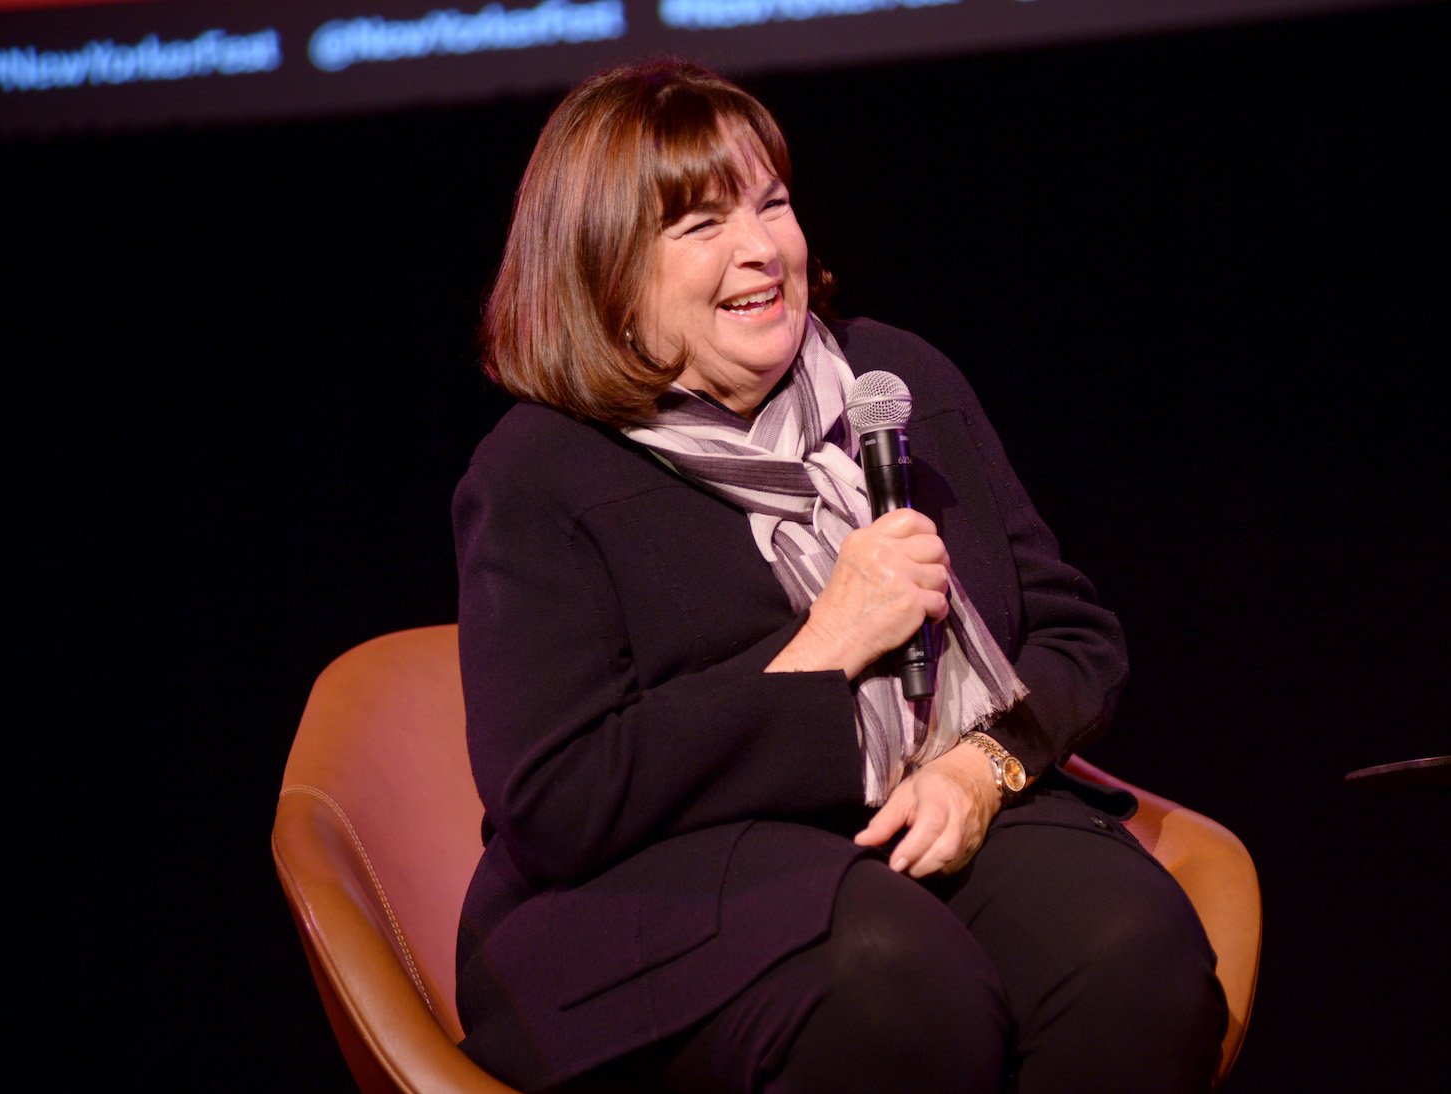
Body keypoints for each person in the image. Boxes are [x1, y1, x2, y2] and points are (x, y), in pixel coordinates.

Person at [452, 60, 1225, 1093]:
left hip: (923, 817)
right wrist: (825, 645)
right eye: (701, 227)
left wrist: (977, 771)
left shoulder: (894, 382)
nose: (763, 248)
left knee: (1135, 952)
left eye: (771, 202)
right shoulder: (540, 470)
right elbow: (560, 798)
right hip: (657, 882)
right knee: (896, 985)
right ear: (605, 273)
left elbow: (1073, 638)